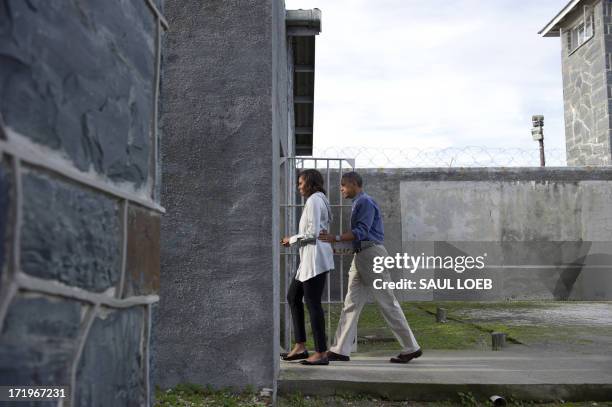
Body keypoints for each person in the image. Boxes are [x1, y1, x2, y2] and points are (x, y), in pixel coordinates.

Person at [319, 171, 422, 364]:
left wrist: (336, 238)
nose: (341, 189)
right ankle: (340, 349)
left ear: (354, 184)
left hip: (371, 255)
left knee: (386, 301)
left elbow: (361, 232)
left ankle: (411, 347)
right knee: (351, 302)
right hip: (363, 256)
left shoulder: (364, 202)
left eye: (343, 185)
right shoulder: (359, 202)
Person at [280, 169, 334, 365]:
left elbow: (313, 233)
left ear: (310, 183)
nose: (298, 186)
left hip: (314, 260)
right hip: (310, 260)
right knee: (293, 297)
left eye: (301, 182)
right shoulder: (321, 199)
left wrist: (291, 239)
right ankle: (301, 346)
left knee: (312, 303)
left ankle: (320, 352)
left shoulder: (313, 201)